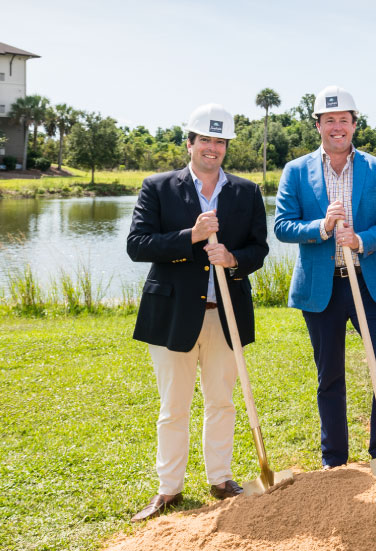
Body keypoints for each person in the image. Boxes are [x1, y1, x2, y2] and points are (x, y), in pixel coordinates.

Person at [127, 103, 269, 522]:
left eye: (220, 141)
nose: (212, 147)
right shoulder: (158, 187)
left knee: (222, 402)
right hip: (172, 316)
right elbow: (137, 245)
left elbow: (259, 249)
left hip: (225, 313)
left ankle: (220, 479)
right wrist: (192, 236)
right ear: (189, 143)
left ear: (227, 147)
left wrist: (232, 258)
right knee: (173, 407)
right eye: (205, 139)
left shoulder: (246, 191)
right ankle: (168, 489)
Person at [274, 86, 376, 469]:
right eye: (329, 120)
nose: (336, 127)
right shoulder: (296, 171)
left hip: (367, 283)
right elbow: (282, 226)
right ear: (317, 125)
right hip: (322, 286)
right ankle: (335, 459)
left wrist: (361, 239)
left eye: (343, 120)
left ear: (354, 125)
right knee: (329, 374)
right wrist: (322, 227)